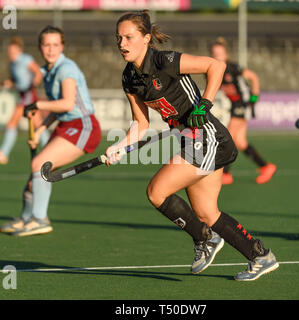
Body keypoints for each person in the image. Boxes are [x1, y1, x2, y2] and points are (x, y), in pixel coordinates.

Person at [106, 10, 278, 281]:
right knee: (207, 213)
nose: (122, 44)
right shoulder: (129, 78)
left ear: (146, 39)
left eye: (129, 37)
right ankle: (260, 256)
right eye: (119, 38)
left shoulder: (164, 60)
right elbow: (141, 123)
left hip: (207, 136)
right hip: (192, 139)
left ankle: (204, 239)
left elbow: (215, 66)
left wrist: (204, 103)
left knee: (156, 192)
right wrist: (119, 147)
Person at [0, 26, 102, 236]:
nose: (51, 49)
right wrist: (40, 131)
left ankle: (40, 219)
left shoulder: (67, 69)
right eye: (46, 45)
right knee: (33, 179)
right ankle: (26, 218)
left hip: (83, 126)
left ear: (62, 46)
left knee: (40, 165)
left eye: (55, 45)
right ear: (40, 47)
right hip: (65, 126)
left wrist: (38, 105)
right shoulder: (47, 71)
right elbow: (56, 110)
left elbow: (66, 104)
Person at [210, 37, 277, 185]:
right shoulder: (213, 69)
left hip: (242, 104)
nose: (217, 56)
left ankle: (226, 174)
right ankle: (266, 167)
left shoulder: (232, 68)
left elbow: (253, 76)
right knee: (240, 142)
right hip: (235, 106)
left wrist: (254, 97)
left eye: (220, 54)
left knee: (228, 137)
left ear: (226, 54)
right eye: (215, 53)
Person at [0, 36, 50, 165]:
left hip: (29, 94)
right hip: (23, 95)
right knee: (37, 125)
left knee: (14, 122)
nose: (10, 53)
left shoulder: (25, 59)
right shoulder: (13, 63)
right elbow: (14, 81)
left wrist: (33, 85)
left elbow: (37, 72)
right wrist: (0, 85)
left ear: (19, 50)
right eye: (9, 51)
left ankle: (4, 153)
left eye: (13, 51)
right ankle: (50, 151)